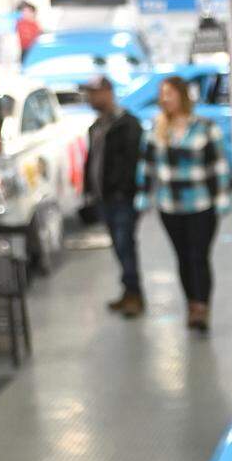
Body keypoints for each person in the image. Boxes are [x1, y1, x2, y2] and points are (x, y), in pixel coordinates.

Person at [133, 74, 231, 333]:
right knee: (183, 257)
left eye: (171, 92)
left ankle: (201, 306)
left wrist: (222, 198)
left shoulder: (205, 127)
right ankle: (191, 302)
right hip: (170, 206)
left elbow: (219, 165)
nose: (166, 98)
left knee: (199, 255)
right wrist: (144, 196)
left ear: (182, 96)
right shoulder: (156, 129)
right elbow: (147, 166)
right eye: (163, 93)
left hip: (201, 205)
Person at [82, 74, 145, 319]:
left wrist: (122, 189)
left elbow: (131, 162)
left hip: (122, 198)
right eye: (89, 93)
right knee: (118, 247)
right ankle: (128, 290)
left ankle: (134, 294)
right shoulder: (96, 127)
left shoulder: (127, 124)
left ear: (108, 93)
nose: (91, 98)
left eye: (95, 93)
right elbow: (94, 161)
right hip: (103, 198)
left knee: (124, 244)